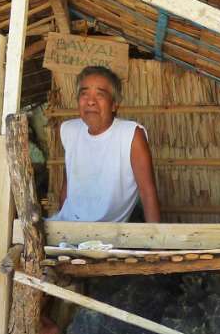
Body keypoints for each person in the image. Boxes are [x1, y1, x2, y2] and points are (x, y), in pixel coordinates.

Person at [52, 65, 161, 224]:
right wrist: (61, 228)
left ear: (114, 104)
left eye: (100, 95)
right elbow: (67, 186)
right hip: (68, 226)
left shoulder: (130, 135)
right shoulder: (70, 130)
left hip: (107, 233)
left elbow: (147, 192)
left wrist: (156, 237)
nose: (90, 101)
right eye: (84, 94)